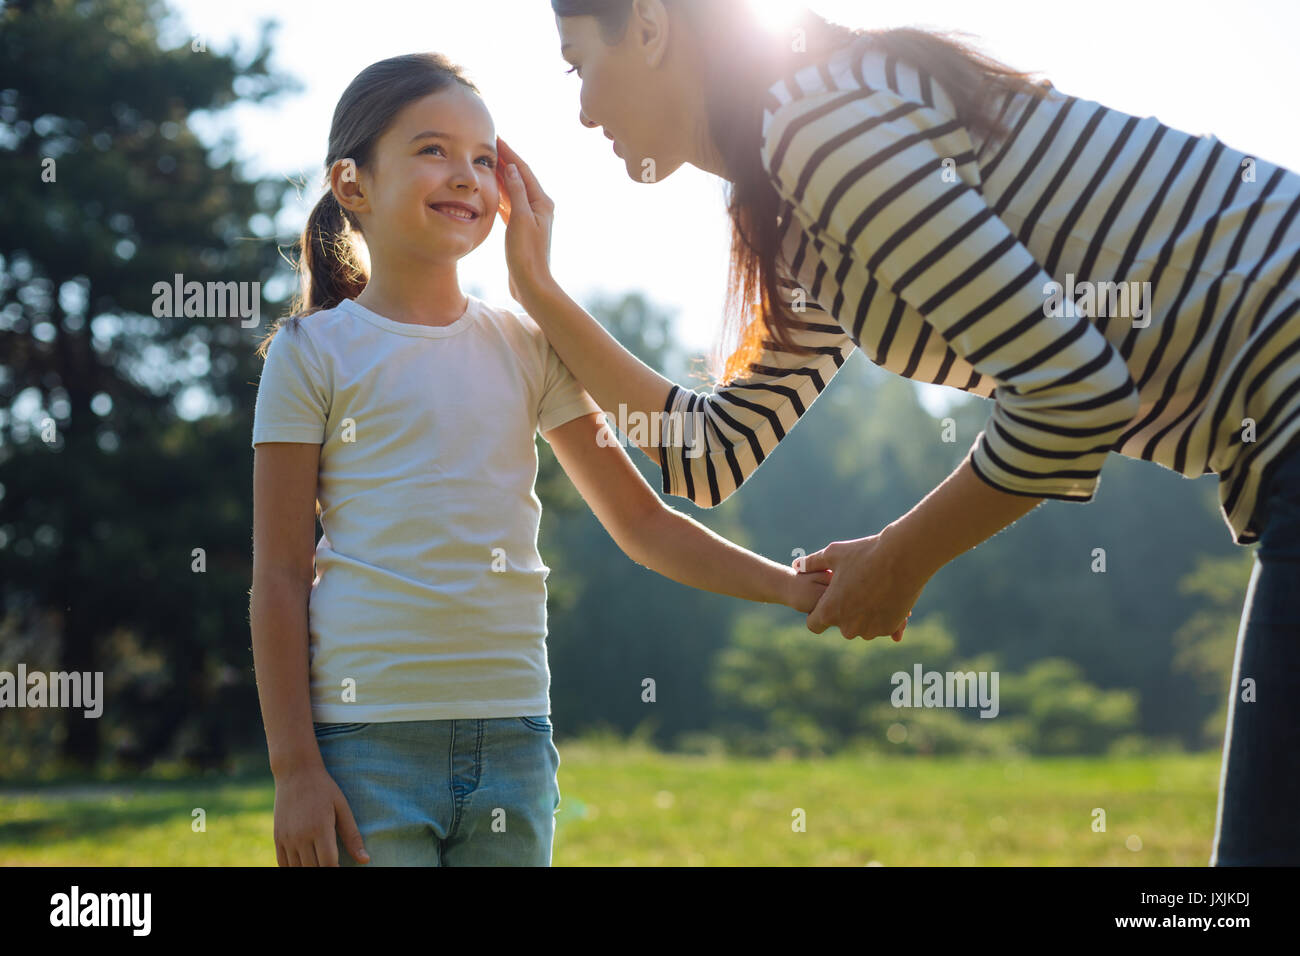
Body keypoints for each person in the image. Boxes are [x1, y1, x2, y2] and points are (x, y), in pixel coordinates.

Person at [494, 0, 1300, 864]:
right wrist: (540, 294)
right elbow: (710, 452)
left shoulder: (818, 128)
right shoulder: (788, 188)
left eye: (579, 65)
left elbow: (1072, 393)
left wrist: (901, 559)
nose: (581, 110)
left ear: (650, 28)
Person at [247, 52, 830, 867]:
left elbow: (643, 524)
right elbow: (278, 574)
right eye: (432, 150)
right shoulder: (310, 353)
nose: (466, 176)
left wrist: (786, 585)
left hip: (516, 740)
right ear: (352, 185)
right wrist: (295, 770)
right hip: (365, 744)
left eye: (485, 159)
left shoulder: (528, 345)